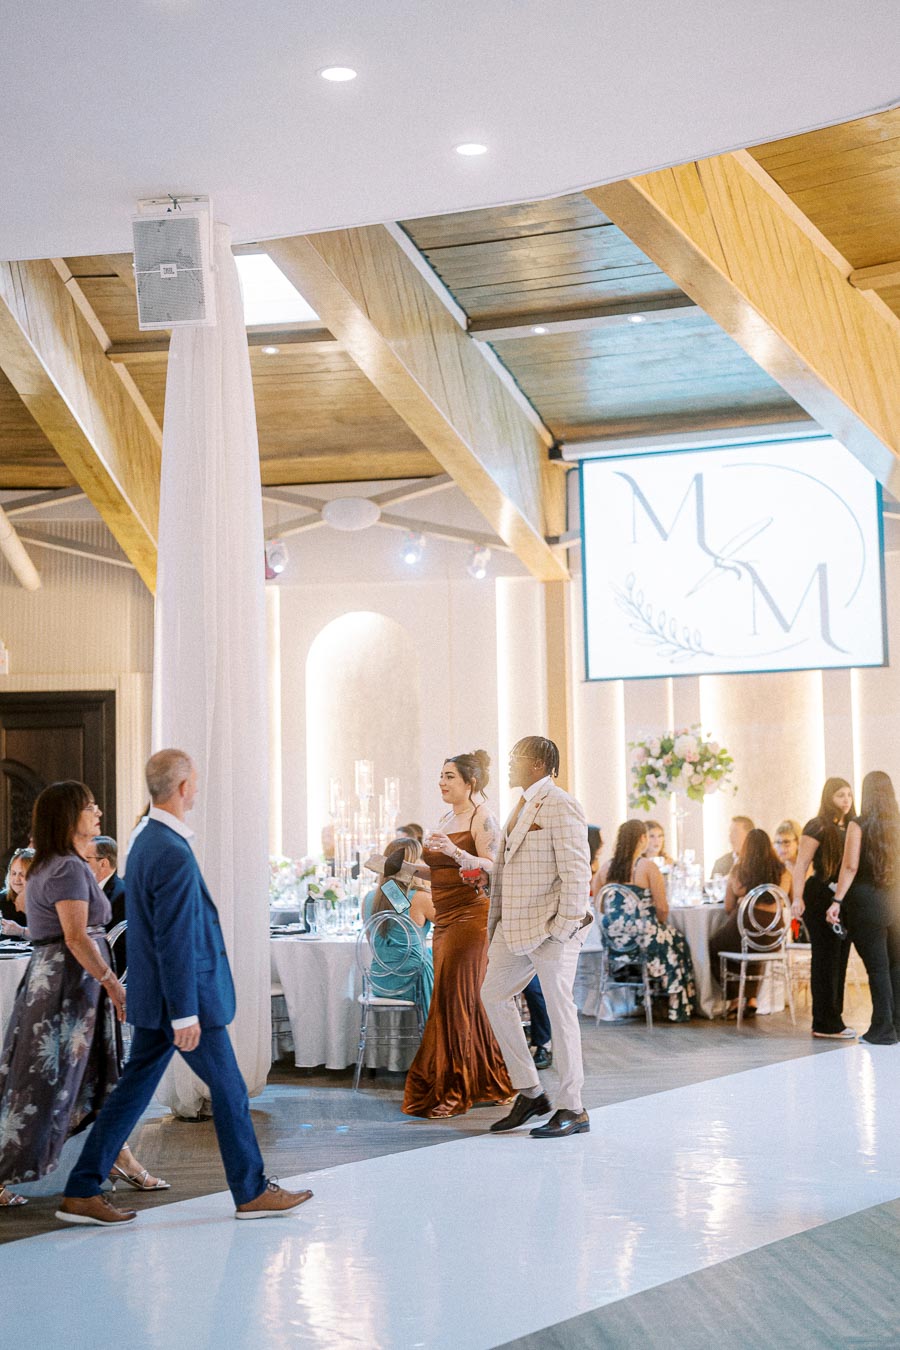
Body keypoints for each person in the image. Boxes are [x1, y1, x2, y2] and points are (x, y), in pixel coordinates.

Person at [57, 749, 312, 1225]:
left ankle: (82, 1188)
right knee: (230, 1090)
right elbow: (174, 937)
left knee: (133, 1091)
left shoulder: (147, 838)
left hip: (160, 997)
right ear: (181, 788)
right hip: (185, 998)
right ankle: (252, 1191)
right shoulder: (169, 848)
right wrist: (185, 1012)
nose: (196, 788)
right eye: (193, 780)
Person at [0, 782, 164, 1209]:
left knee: (72, 1079)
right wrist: (111, 981)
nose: (98, 812)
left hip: (61, 984)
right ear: (70, 816)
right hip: (69, 989)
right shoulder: (68, 869)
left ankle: (110, 1160)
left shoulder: (49, 864)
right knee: (51, 1083)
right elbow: (75, 937)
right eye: (90, 807)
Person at [481, 735, 592, 1139]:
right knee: (493, 995)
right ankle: (530, 1091)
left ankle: (573, 1107)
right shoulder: (522, 804)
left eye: (517, 757)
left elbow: (577, 872)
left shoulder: (561, 804)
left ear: (539, 765)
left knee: (561, 1014)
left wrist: (562, 929)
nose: (509, 763)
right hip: (514, 927)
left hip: (551, 929)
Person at [402, 750, 512, 1118]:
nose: (442, 783)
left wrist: (454, 851)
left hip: (470, 918)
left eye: (450, 776)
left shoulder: (483, 818)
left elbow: (495, 867)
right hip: (444, 919)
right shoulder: (446, 818)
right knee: (460, 998)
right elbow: (439, 873)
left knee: (455, 997)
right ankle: (488, 1079)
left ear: (471, 782)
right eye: (442, 776)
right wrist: (403, 869)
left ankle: (457, 1085)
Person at [826, 771, 900, 1046]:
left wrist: (837, 901)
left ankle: (882, 1030)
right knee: (896, 965)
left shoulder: (858, 825)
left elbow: (850, 866)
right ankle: (897, 1025)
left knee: (878, 968)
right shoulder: (897, 822)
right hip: (895, 900)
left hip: (867, 902)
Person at [596, 820, 696, 1022]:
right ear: (642, 838)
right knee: (678, 941)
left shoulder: (605, 868)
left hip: (615, 941)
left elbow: (599, 906)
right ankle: (674, 1004)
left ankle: (647, 1000)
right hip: (644, 939)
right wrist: (657, 925)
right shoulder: (648, 867)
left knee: (670, 938)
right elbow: (663, 908)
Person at [792, 779, 855, 1039]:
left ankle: (833, 1019)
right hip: (819, 895)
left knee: (839, 959)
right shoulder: (817, 826)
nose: (846, 800)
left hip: (842, 897)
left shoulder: (851, 826)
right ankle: (824, 1022)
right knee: (826, 959)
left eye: (849, 794)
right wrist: (797, 898)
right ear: (829, 797)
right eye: (840, 795)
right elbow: (801, 864)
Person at [710, 828, 790, 1018]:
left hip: (745, 924)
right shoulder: (783, 872)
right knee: (753, 950)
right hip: (774, 935)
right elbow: (785, 899)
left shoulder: (739, 870)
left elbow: (728, 906)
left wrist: (743, 900)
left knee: (716, 946)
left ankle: (735, 998)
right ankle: (751, 998)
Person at [365, 835, 435, 1014]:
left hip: (380, 981)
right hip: (411, 982)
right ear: (415, 865)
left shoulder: (369, 898)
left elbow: (372, 941)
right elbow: (452, 923)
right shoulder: (421, 898)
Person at [82, 835, 127, 974]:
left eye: (86, 860)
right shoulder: (89, 889)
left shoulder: (121, 894)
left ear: (103, 863)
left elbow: (118, 945)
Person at [0, 847, 33, 940]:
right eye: (14, 873)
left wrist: (20, 931)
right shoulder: (2, 899)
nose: (16, 879)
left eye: (22, 874)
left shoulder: (47, 902)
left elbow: (50, 935)